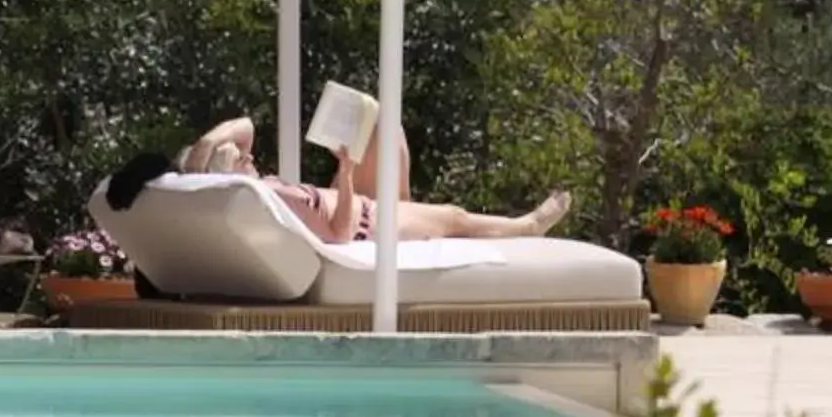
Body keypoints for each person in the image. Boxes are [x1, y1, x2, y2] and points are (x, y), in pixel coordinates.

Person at [110, 115, 570, 244]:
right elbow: (339, 232)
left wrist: (212, 142)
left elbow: (245, 125)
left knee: (381, 125)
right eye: (244, 160)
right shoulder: (258, 195)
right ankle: (528, 226)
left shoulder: (239, 188)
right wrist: (346, 175)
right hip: (365, 219)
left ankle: (411, 210)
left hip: (353, 202)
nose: (252, 158)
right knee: (452, 218)